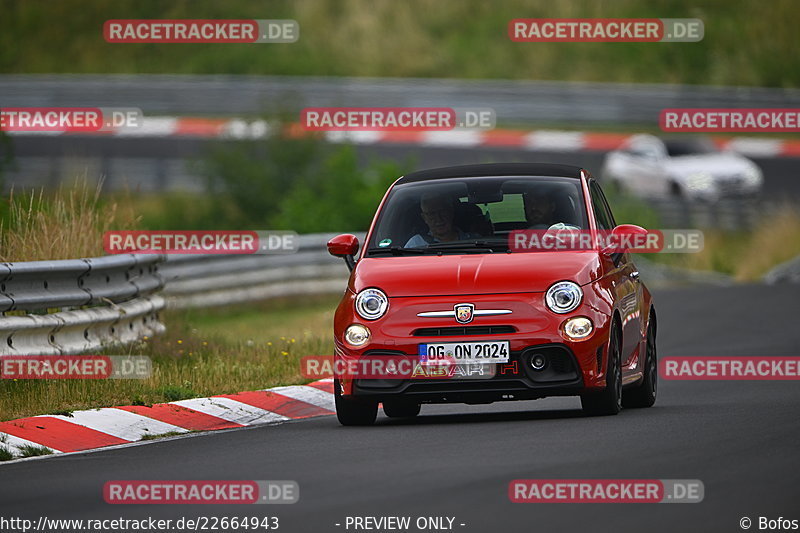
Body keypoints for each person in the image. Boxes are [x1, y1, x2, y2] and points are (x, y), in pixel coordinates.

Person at [405, 192, 476, 247]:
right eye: (432, 214)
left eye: (442, 212)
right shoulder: (415, 244)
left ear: (451, 212)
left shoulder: (475, 241)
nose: (438, 218)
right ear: (424, 218)